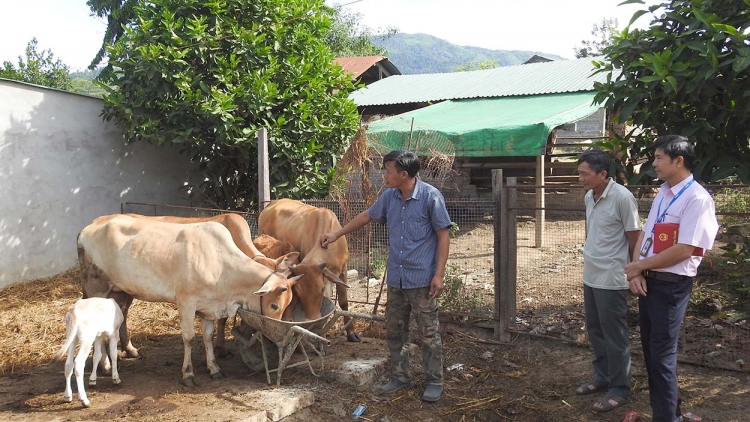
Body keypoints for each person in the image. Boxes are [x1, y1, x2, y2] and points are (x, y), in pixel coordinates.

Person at [320, 149, 451, 403]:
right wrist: (336, 234)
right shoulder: (390, 197)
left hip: (423, 280)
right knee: (395, 331)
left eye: (388, 171)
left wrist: (439, 274)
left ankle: (434, 380)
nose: (384, 176)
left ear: (404, 174)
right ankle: (400, 376)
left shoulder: (430, 198)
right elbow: (367, 216)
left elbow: (443, 236)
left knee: (428, 334)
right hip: (397, 278)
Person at [625, 135, 719, 422]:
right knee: (653, 353)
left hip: (671, 286)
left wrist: (639, 267)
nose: (653, 164)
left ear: (678, 161)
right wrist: (637, 267)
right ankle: (669, 413)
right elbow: (646, 233)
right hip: (649, 281)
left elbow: (685, 249)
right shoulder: (664, 192)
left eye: (658, 158)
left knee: (662, 356)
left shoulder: (697, 198)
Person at [575, 149, 641, 413]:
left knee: (614, 334)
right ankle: (603, 376)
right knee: (595, 330)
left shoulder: (622, 198)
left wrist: (635, 270)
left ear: (603, 174)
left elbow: (636, 236)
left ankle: (620, 387)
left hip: (612, 278)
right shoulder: (589, 197)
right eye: (579, 173)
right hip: (591, 275)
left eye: (584, 173)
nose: (580, 178)